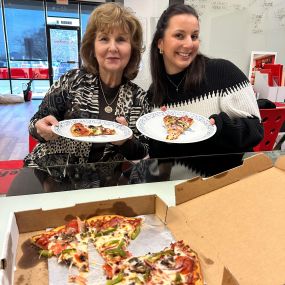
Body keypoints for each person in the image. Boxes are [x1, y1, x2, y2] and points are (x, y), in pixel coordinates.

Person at [24, 3, 150, 175]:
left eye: (121, 39)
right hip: (50, 172)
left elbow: (142, 152)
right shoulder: (71, 81)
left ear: (132, 49)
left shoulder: (139, 98)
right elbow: (36, 122)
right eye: (104, 39)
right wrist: (40, 128)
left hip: (101, 182)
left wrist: (126, 142)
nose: (113, 48)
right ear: (93, 46)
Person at [148, 3, 263, 161]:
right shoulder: (154, 92)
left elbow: (255, 131)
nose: (189, 44)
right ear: (160, 43)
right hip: (174, 184)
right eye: (179, 35)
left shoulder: (223, 72)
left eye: (194, 36)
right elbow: (161, 157)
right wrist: (162, 131)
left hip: (224, 181)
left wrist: (220, 127)